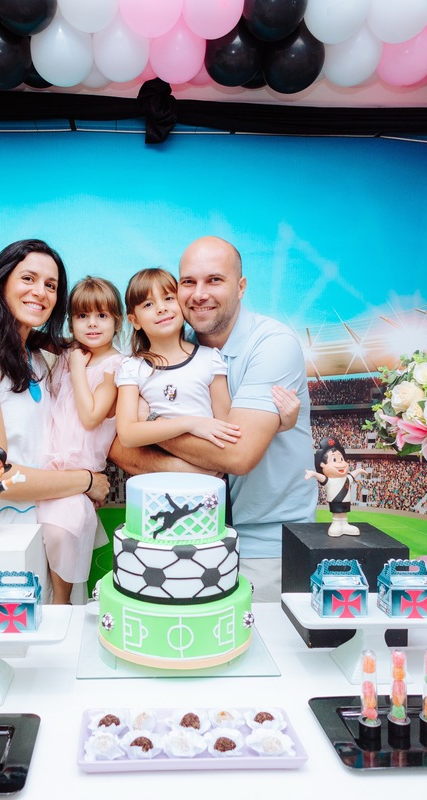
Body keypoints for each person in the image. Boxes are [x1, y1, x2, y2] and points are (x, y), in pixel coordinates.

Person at [109, 237, 314, 601]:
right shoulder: (166, 347)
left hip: (264, 545)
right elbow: (119, 448)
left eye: (214, 280)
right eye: (188, 282)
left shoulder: (273, 343)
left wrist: (152, 420)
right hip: (189, 535)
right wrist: (188, 469)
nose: (199, 294)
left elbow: (237, 454)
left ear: (241, 287)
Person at [0, 240, 111, 602]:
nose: (40, 292)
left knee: (63, 648)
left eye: (51, 285)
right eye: (28, 278)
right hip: (5, 538)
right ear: (1, 281)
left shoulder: (34, 357)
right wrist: (86, 481)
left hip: (55, 526)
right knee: (13, 654)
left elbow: (87, 344)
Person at [35, 277, 124, 604]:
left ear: (118, 321)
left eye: (102, 316)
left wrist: (74, 366)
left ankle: (62, 603)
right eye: (82, 316)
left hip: (78, 471)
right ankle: (54, 603)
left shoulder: (116, 366)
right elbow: (35, 336)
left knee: (63, 532)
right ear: (70, 321)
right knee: (40, 543)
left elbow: (90, 416)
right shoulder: (70, 351)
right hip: (47, 463)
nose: (92, 324)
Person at [115, 268, 240, 450]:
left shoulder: (209, 359)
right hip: (153, 474)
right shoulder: (132, 368)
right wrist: (189, 423)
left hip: (208, 473)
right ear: (135, 321)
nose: (161, 308)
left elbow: (227, 426)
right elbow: (127, 435)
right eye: (148, 305)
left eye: (168, 298)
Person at [305, 436, 363, 537]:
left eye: (341, 458)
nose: (340, 462)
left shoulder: (347, 478)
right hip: (335, 501)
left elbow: (353, 474)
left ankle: (344, 524)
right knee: (337, 515)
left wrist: (360, 470)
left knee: (344, 514)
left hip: (345, 502)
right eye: (334, 459)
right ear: (323, 465)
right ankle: (336, 524)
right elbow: (321, 478)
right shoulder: (330, 481)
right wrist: (313, 474)